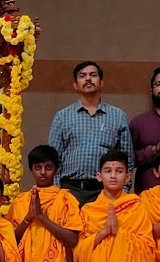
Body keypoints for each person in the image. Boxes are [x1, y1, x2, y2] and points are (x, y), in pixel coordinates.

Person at [47, 61, 132, 204]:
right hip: (68, 190)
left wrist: (124, 190)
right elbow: (53, 158)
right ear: (75, 84)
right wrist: (56, 191)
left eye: (93, 75)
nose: (88, 79)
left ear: (101, 82)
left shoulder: (117, 116)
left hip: (105, 191)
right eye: (82, 76)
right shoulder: (62, 117)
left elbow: (127, 158)